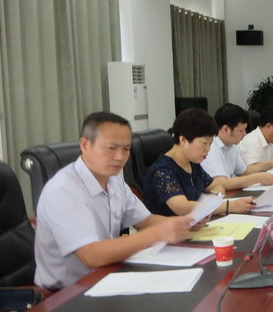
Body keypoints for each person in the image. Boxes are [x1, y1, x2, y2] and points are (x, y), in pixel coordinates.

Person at [34, 111, 193, 290]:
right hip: (67, 292)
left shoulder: (114, 179)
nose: (120, 156)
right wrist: (156, 234)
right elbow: (91, 255)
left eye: (126, 149)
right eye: (111, 148)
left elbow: (146, 221)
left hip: (108, 275)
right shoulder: (63, 190)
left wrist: (184, 223)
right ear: (85, 145)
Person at [142, 108, 256, 217]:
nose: (208, 149)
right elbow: (182, 208)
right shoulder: (163, 170)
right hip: (171, 228)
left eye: (210, 144)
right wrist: (227, 206)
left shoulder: (192, 163)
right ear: (183, 140)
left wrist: (214, 200)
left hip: (199, 222)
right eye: (204, 143)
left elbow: (216, 185)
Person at [203, 103, 273, 190]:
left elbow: (244, 172)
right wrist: (257, 178)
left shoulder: (232, 146)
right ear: (226, 129)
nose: (244, 134)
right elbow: (220, 183)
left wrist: (269, 164)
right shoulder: (210, 147)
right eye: (241, 130)